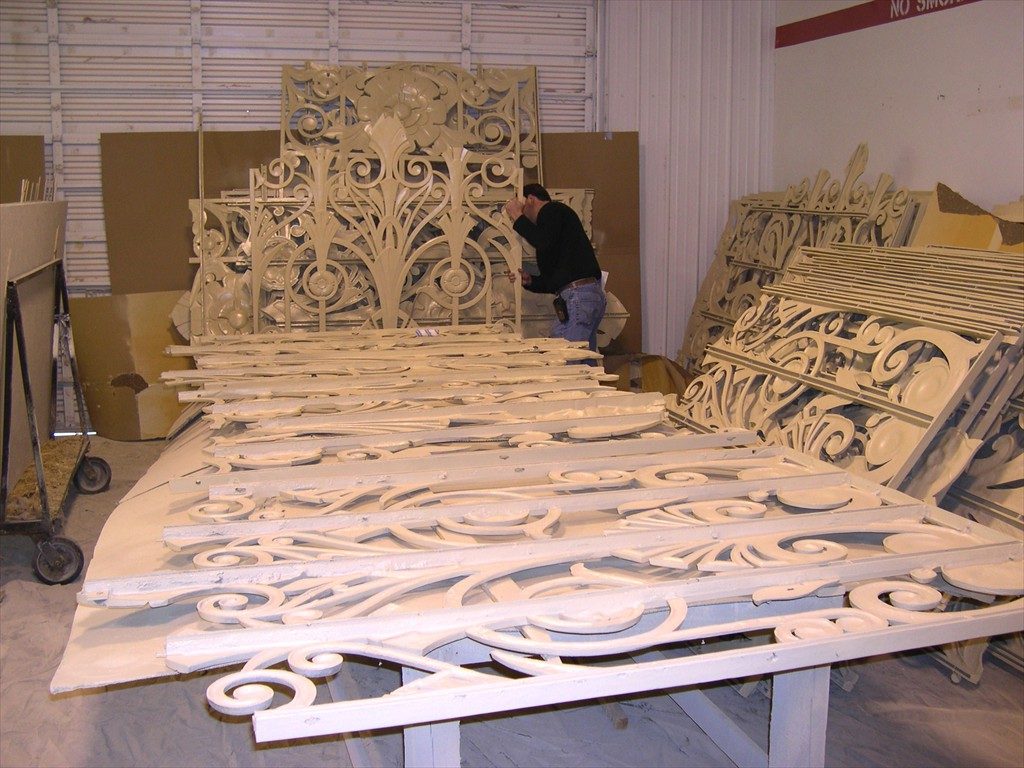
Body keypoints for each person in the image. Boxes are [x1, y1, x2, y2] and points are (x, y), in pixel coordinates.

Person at [503, 183, 607, 354]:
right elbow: (555, 281)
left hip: (578, 297)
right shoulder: (558, 221)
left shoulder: (552, 210)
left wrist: (516, 215)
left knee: (566, 358)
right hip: (580, 295)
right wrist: (531, 281)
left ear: (530, 199)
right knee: (580, 358)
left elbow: (542, 241)